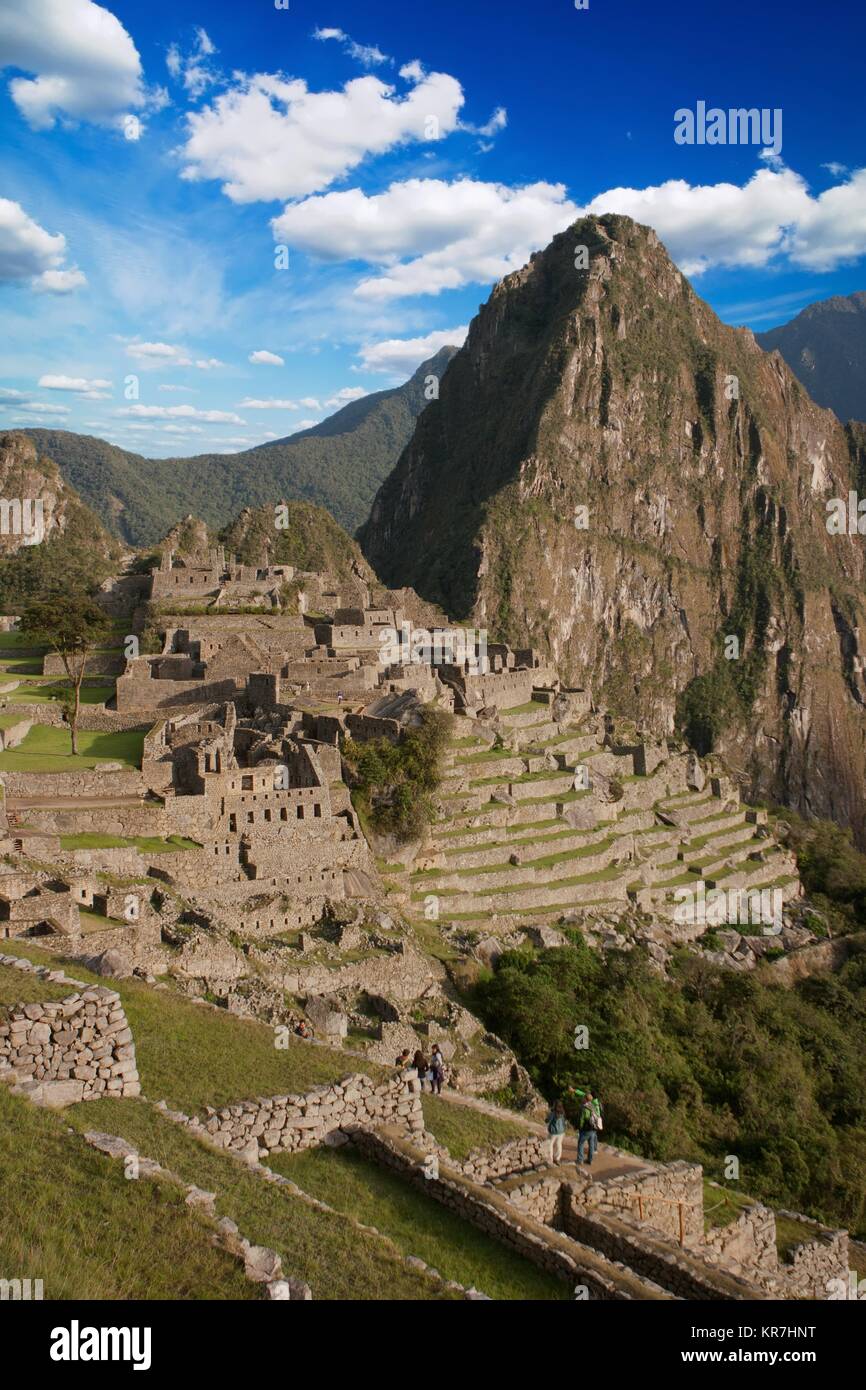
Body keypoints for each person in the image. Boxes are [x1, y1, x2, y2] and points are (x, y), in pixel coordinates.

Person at [569, 1084, 603, 1166]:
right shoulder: (594, 1105)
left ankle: (580, 1160)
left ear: (586, 1099)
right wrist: (574, 1090)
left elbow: (582, 1119)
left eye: (584, 1097)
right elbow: (583, 1094)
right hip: (593, 1129)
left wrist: (580, 1127)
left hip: (586, 1128)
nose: (583, 1098)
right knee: (591, 1144)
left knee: (580, 1143)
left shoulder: (585, 1108)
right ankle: (590, 1160)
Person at [545, 1098, 567, 1164]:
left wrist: (547, 1117)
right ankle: (557, 1158)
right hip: (561, 1132)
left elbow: (547, 1120)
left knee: (550, 1144)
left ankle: (550, 1158)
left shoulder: (553, 1113)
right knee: (559, 1144)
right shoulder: (563, 1112)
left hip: (554, 1132)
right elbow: (564, 1121)